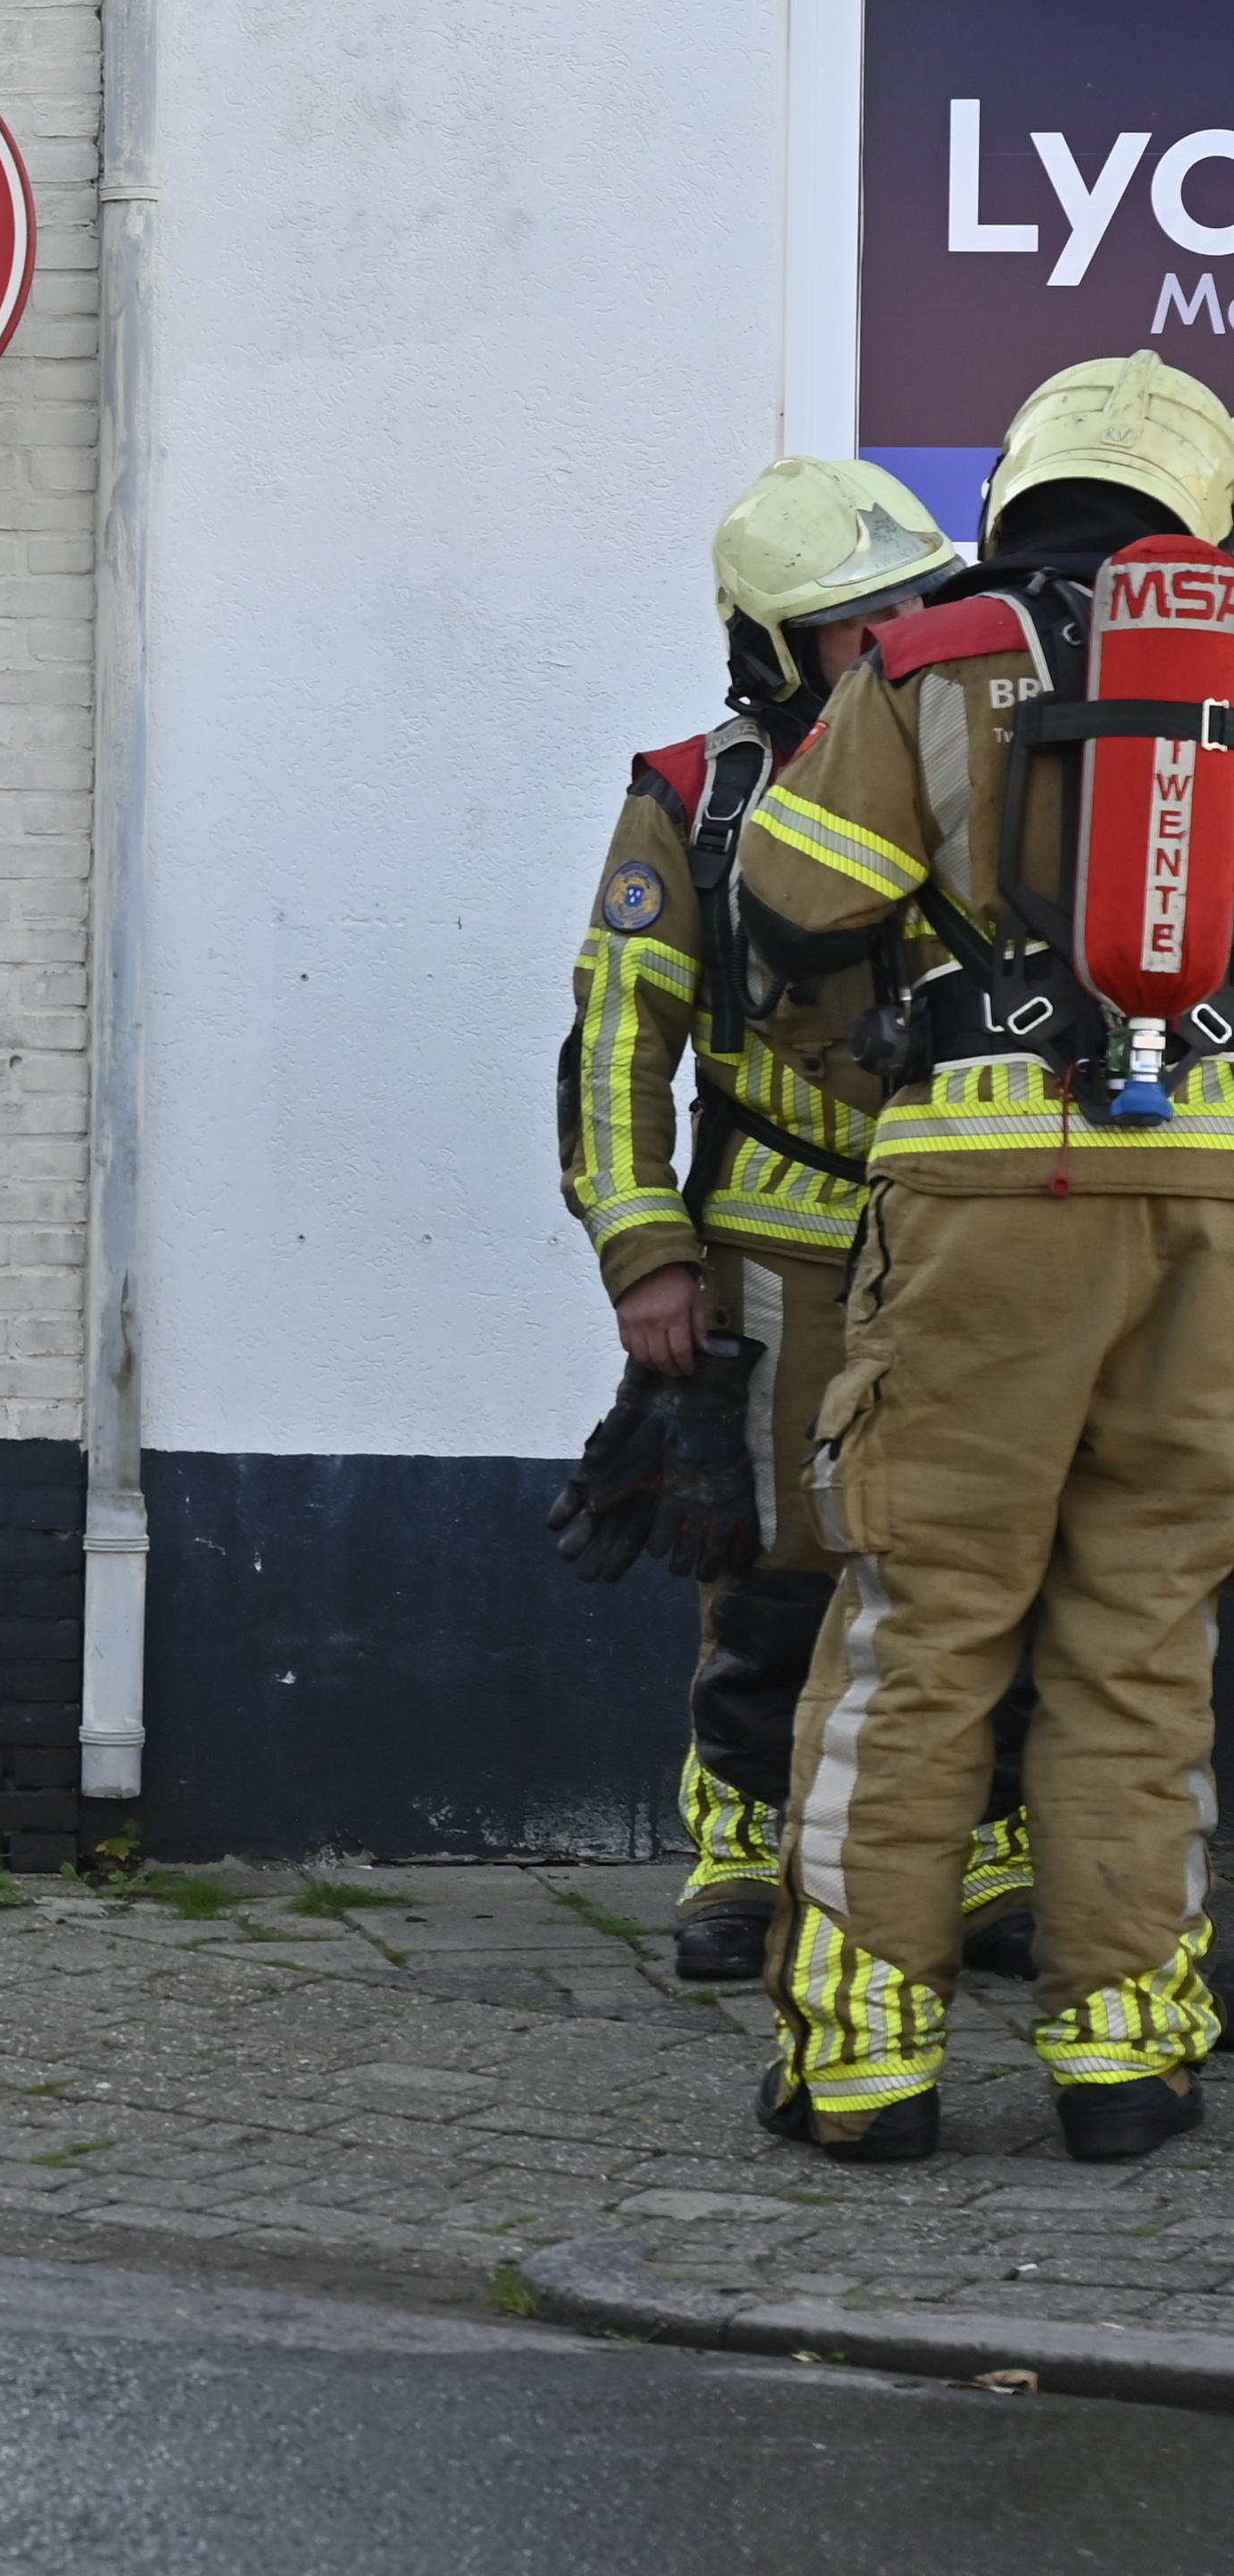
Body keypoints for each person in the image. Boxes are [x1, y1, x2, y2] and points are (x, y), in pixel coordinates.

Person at [736, 351, 1234, 2164]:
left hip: (984, 1193)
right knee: (1143, 1623)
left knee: (924, 1620)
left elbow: (789, 909)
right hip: (1216, 1205)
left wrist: (884, 1058)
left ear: (1025, 486)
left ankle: (864, 2054)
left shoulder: (930, 657)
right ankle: (1126, 2045)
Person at [558, 456, 1010, 1988]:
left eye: (916, 604)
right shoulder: (693, 794)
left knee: (977, 1544)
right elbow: (621, 1038)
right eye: (851, 621)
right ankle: (740, 1847)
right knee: (766, 1567)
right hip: (775, 1247)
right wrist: (647, 1255)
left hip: (978, 1233)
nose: (893, 636)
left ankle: (987, 1845)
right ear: (767, 642)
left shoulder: (994, 767)